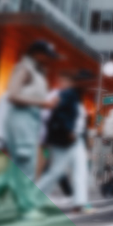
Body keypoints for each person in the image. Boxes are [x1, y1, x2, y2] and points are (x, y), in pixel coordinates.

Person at [0, 40, 59, 220]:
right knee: (24, 166)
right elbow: (12, 95)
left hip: (28, 122)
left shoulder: (35, 71)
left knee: (19, 168)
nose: (49, 60)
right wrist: (43, 103)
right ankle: (24, 208)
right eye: (46, 56)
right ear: (37, 53)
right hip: (21, 122)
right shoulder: (24, 68)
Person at [34, 71, 94, 213]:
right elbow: (54, 116)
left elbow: (78, 120)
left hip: (75, 137)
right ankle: (33, 198)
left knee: (80, 170)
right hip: (65, 137)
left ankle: (79, 203)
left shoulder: (75, 97)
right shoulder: (61, 95)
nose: (89, 85)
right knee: (56, 170)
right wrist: (68, 131)